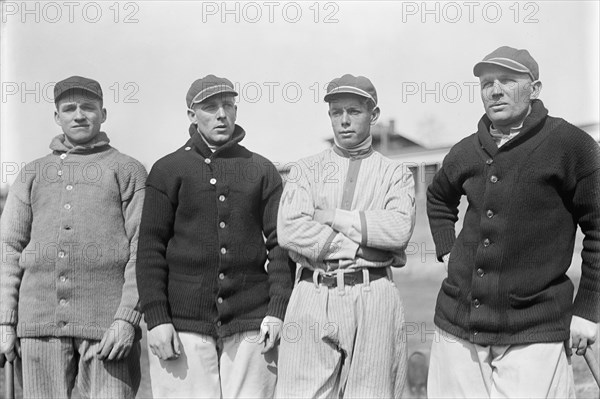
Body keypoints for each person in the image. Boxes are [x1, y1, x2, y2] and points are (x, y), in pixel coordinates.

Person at [426, 46, 600, 398]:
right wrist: (448, 249)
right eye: (487, 82)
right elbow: (438, 197)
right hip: (458, 326)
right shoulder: (465, 150)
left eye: (507, 80)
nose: (495, 90)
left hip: (535, 330)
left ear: (535, 89)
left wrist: (587, 310)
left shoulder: (570, 145)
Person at [136, 74, 293, 398]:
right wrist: (157, 319)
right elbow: (150, 250)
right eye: (210, 107)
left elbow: (280, 246)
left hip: (252, 323)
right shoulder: (167, 170)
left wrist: (276, 311)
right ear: (192, 115)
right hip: (182, 326)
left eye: (228, 105)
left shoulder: (261, 170)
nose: (221, 114)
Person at [0, 76, 146, 398]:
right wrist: (5, 322)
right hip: (38, 330)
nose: (79, 115)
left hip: (107, 332)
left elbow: (143, 250)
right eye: (69, 108)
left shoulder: (128, 170)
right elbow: (9, 248)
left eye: (88, 107)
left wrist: (127, 320)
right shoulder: (32, 173)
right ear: (57, 117)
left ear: (103, 114)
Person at [276, 74, 416, 398]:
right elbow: (290, 230)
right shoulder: (305, 170)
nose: (344, 120)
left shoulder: (395, 173)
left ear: (374, 115)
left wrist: (333, 218)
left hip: (373, 291)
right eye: (336, 112)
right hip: (313, 288)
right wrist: (358, 245)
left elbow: (397, 230)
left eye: (354, 111)